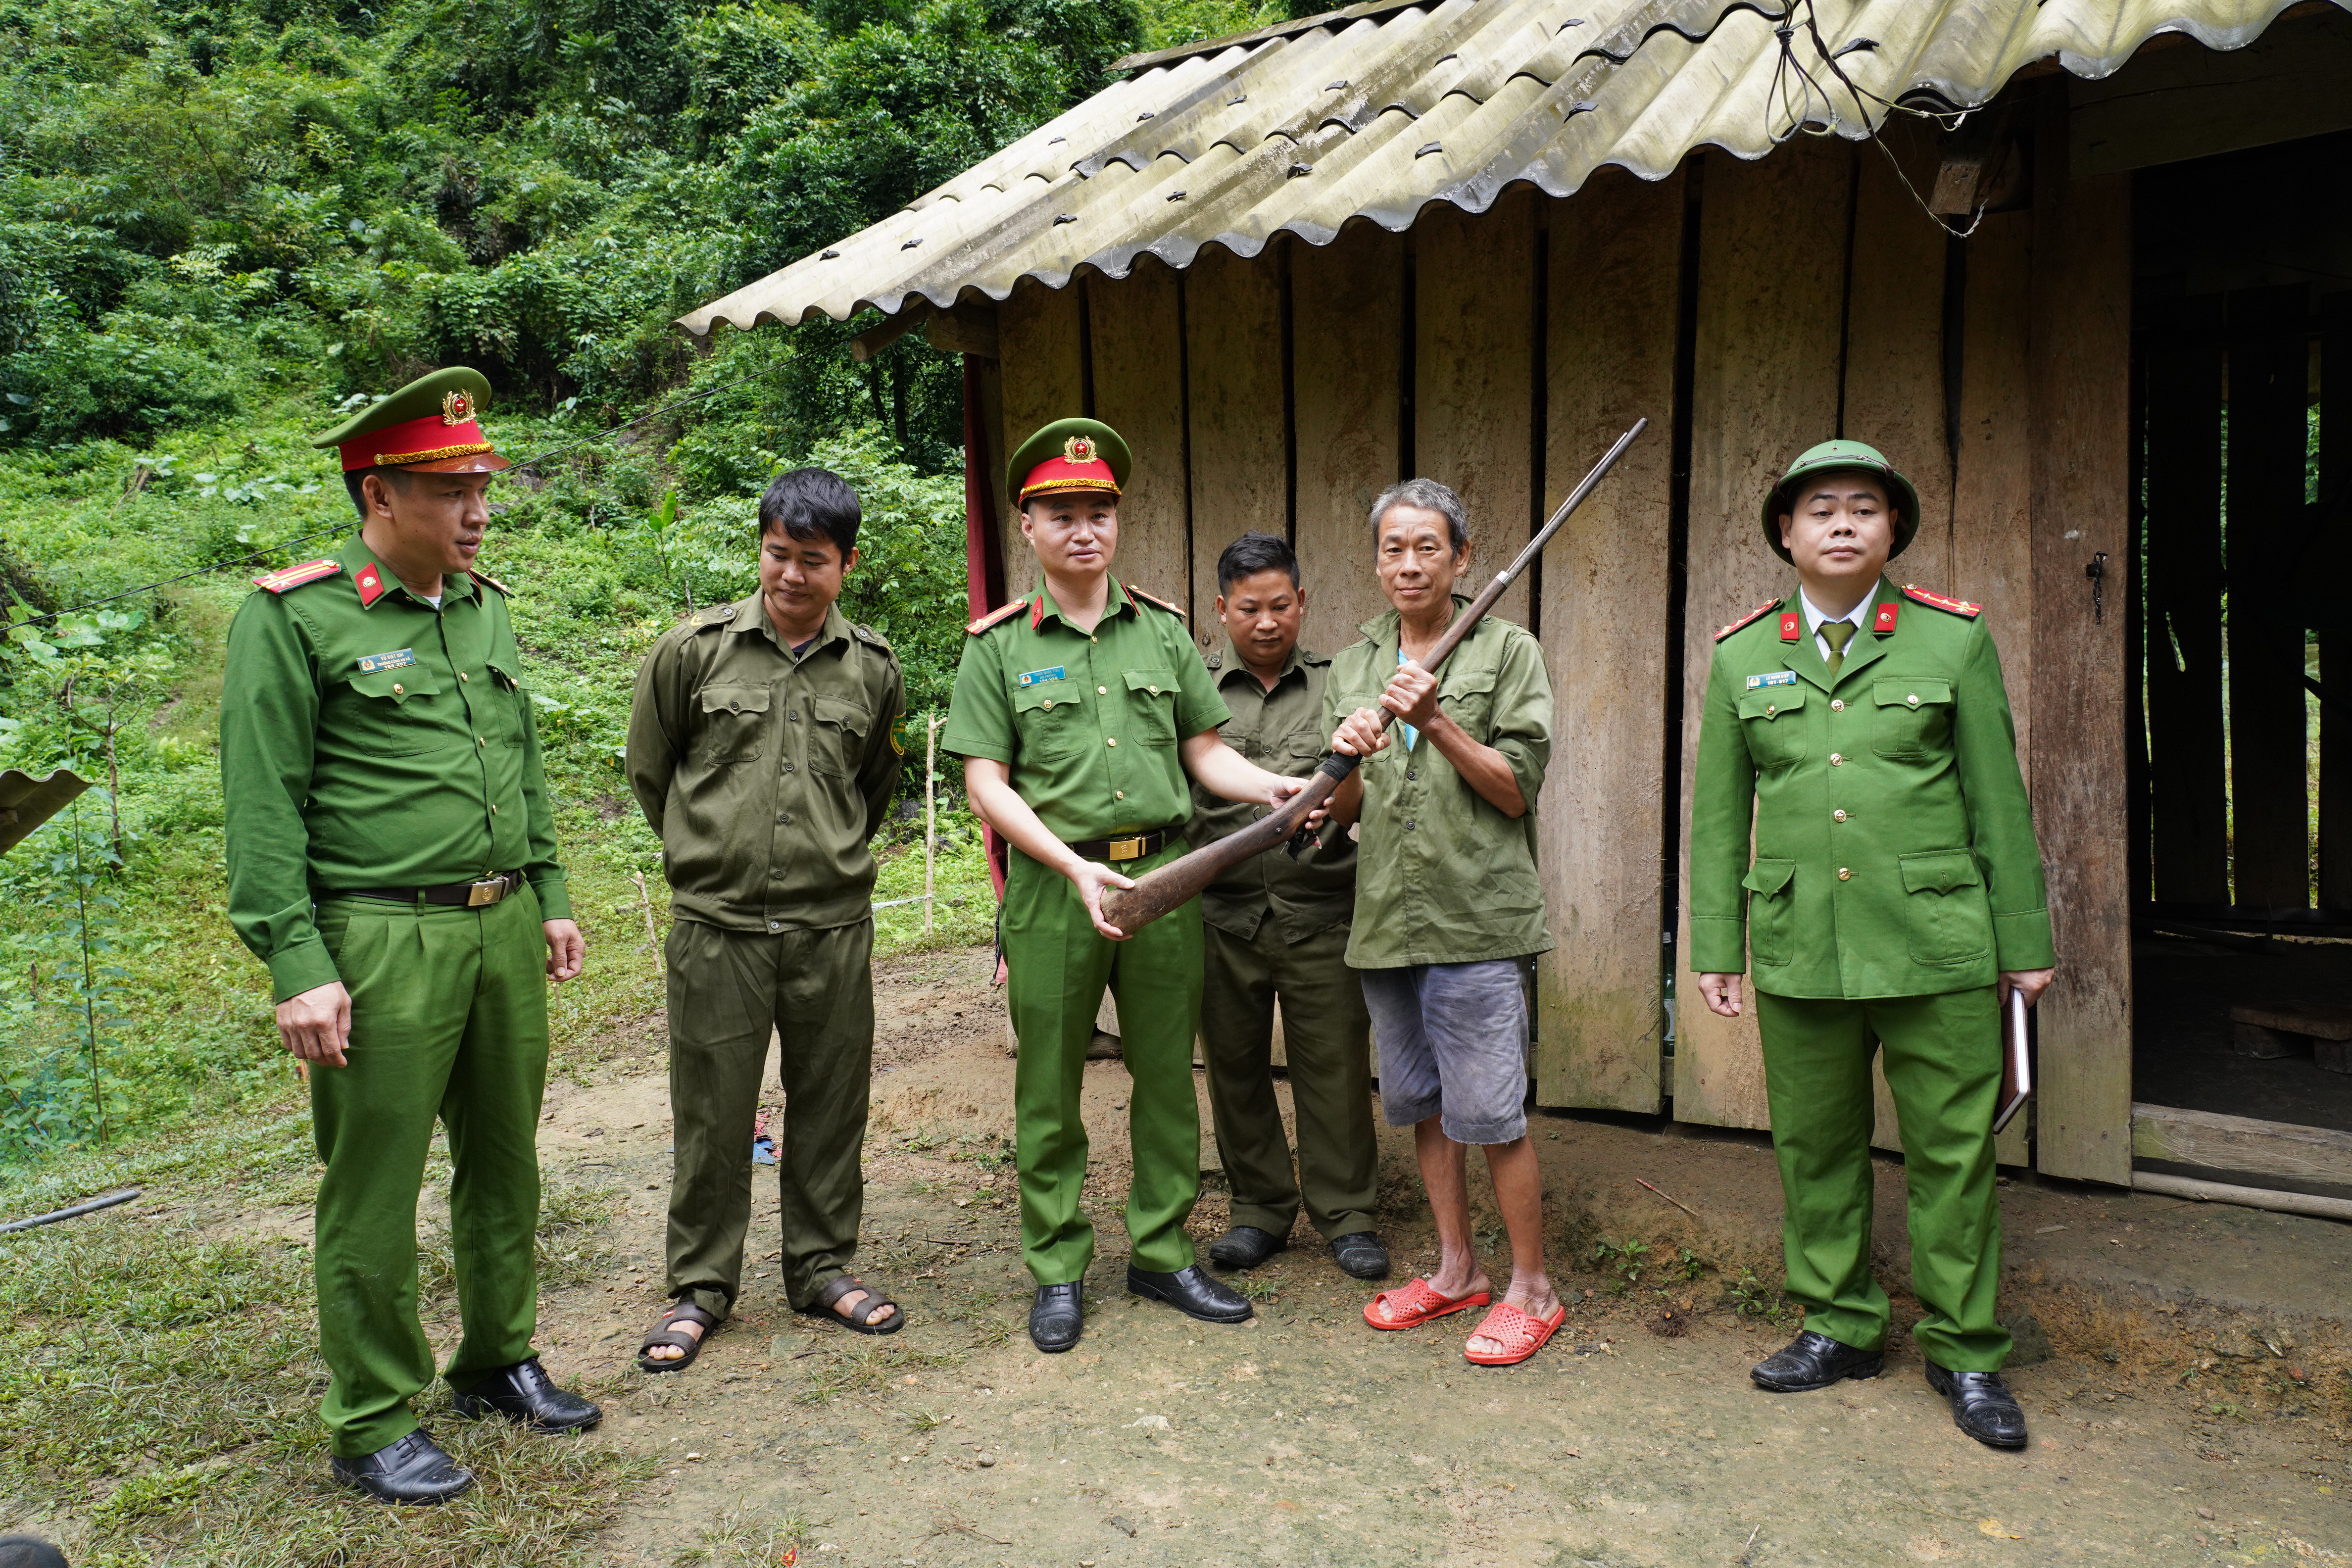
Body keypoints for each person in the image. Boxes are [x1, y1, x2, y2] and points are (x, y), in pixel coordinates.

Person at [220, 367, 599, 1506]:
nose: (479, 509)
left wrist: (554, 887)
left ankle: (497, 1359)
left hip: (501, 925)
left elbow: (517, 763)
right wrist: (298, 964)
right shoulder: (297, 615)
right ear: (379, 494)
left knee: (506, 1162)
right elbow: (262, 805)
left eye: (483, 484)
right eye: (452, 490)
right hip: (380, 940)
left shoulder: (483, 604)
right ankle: (374, 1417)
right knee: (375, 1184)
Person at [1688, 439, 2056, 1450]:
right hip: (1803, 942)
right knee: (1816, 1148)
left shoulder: (1952, 643)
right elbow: (1719, 816)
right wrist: (1718, 945)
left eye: (1864, 508)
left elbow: (1999, 802)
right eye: (1820, 510)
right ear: (1785, 534)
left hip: (1938, 943)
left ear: (1893, 531)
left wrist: (2023, 942)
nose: (1842, 523)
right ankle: (1839, 1324)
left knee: (1951, 1151)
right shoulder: (1740, 655)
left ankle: (1967, 1349)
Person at [945, 419, 1323, 1355]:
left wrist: (1268, 784)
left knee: (1165, 1078)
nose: (1085, 531)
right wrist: (1073, 866)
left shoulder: (1160, 633)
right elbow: (985, 781)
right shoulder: (995, 648)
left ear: (1118, 523)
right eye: (1062, 514)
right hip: (1054, 890)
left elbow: (1205, 751)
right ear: (1027, 526)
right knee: (1050, 1084)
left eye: (1100, 514)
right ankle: (1058, 1267)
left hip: (1165, 879)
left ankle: (1160, 1250)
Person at [624, 468, 908, 1372]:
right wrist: (715, 853)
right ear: (762, 548)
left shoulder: (873, 668)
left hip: (832, 926)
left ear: (846, 564)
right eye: (777, 554)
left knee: (832, 1102)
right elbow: (652, 771)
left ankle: (822, 1268)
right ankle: (701, 1287)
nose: (790, 575)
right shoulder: (693, 652)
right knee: (712, 1111)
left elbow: (874, 788)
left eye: (812, 560)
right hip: (718, 929)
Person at [1326, 479, 1564, 1368]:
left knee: (1492, 1114)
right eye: (1394, 547)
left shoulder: (1508, 651)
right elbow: (1344, 810)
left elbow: (1515, 788)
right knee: (1424, 1106)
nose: (1410, 563)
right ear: (1378, 560)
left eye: (1428, 546)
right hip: (1387, 919)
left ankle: (1532, 1288)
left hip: (1476, 921)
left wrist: (1438, 721)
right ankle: (1457, 1269)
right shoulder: (1355, 662)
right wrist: (1349, 755)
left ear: (1462, 559)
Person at [1187, 532, 1387, 1281]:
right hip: (1223, 916)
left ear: (1302, 602)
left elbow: (1367, 788)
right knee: (1233, 1068)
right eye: (1248, 609)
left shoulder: (1342, 683)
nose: (1266, 622)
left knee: (1333, 1069)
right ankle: (1259, 1210)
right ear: (1221, 610)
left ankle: (1347, 1215)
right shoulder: (1196, 688)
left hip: (1322, 909)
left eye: (1280, 606)